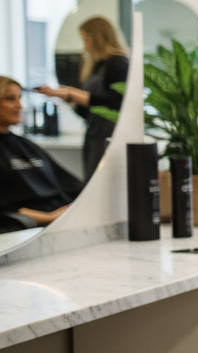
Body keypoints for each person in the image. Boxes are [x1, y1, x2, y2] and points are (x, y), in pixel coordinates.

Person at [36, 16, 129, 181]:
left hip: (111, 135)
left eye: (86, 39)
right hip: (94, 134)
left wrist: (72, 93)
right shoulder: (95, 66)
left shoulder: (118, 64)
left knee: (104, 182)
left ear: (98, 38)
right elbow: (88, 112)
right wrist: (68, 99)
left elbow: (116, 103)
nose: (85, 45)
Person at [0, 76, 83, 233]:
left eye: (20, 98)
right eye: (11, 99)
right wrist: (50, 218)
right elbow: (5, 212)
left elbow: (72, 186)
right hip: (29, 229)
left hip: (64, 220)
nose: (20, 106)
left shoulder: (25, 145)